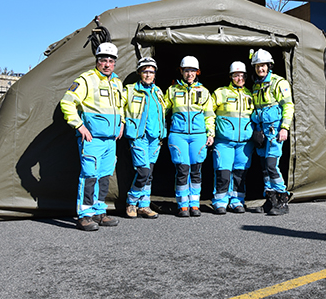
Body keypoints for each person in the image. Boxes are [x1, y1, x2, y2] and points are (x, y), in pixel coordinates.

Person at [60, 42, 125, 231]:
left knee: (104, 177)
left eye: (111, 61)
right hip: (92, 139)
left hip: (110, 140)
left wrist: (122, 122)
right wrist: (79, 126)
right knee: (89, 176)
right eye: (103, 60)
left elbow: (120, 106)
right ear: (97, 61)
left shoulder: (116, 82)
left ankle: (99, 212)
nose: (107, 64)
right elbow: (67, 103)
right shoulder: (86, 80)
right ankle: (84, 215)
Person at [163, 56, 215, 217]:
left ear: (197, 72)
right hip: (178, 135)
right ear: (181, 71)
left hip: (198, 135)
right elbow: (164, 111)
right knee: (182, 169)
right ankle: (182, 204)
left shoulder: (204, 91)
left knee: (196, 169)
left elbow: (209, 115)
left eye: (192, 70)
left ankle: (194, 203)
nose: (189, 74)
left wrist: (211, 133)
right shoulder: (172, 90)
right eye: (186, 70)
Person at [250, 49, 294, 216]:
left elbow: (288, 105)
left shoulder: (278, 83)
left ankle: (283, 199)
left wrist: (285, 127)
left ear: (269, 66)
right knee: (264, 167)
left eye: (263, 65)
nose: (260, 69)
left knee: (271, 165)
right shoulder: (256, 85)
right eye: (257, 66)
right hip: (261, 132)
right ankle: (271, 200)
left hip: (274, 131)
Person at [123, 57, 166, 219]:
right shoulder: (129, 90)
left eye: (151, 71)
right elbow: (120, 109)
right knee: (143, 172)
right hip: (139, 137)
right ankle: (131, 202)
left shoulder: (158, 91)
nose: (148, 75)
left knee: (150, 174)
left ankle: (144, 205)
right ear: (139, 73)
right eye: (145, 71)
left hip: (155, 138)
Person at [210, 61, 255, 214]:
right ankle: (220, 202)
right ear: (231, 76)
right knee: (223, 172)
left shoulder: (251, 94)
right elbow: (209, 114)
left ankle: (237, 201)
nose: (239, 78)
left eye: (242, 75)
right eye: (236, 75)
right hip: (224, 141)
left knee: (240, 173)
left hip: (244, 143)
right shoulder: (220, 93)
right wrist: (210, 132)